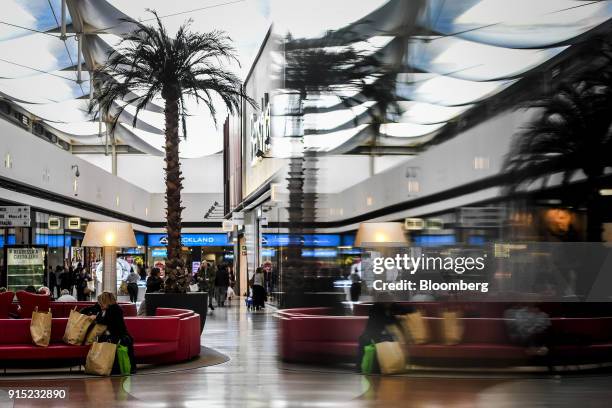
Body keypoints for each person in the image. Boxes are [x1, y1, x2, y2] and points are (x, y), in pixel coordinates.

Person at [81, 292, 136, 374]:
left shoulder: (115, 309)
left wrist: (95, 318)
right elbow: (85, 310)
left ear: (106, 301)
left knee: (112, 342)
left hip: (119, 336)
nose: (100, 304)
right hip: (109, 336)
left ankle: (112, 368)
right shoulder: (102, 307)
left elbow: (106, 321)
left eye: (101, 302)